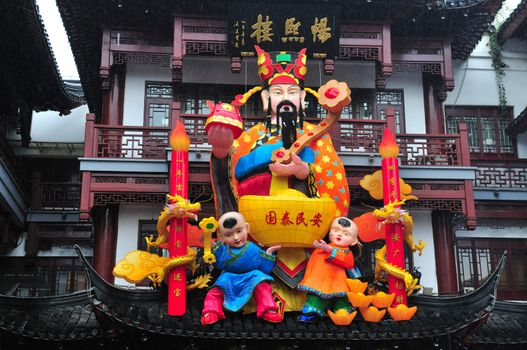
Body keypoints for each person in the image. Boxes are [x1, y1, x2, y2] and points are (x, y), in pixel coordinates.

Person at [206, 46, 350, 289]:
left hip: (304, 238)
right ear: (266, 98)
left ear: (303, 98)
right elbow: (230, 188)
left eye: (293, 91)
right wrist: (221, 156)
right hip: (258, 240)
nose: (285, 97)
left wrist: (304, 173)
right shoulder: (250, 138)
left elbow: (335, 185)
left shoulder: (317, 137)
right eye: (277, 91)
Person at [200, 211, 283, 325]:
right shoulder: (225, 250)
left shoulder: (253, 248)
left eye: (239, 231)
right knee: (215, 291)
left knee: (262, 285)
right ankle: (211, 311)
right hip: (229, 277)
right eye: (228, 235)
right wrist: (208, 241)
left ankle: (268, 309)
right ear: (221, 236)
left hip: (252, 276)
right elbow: (219, 264)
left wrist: (269, 252)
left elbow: (265, 269)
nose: (236, 237)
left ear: (247, 228)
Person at [296, 217, 360, 322]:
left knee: (341, 302)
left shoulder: (346, 252)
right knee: (316, 299)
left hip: (338, 283)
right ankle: (313, 311)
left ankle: (341, 312)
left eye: (346, 233)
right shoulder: (322, 247)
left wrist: (330, 250)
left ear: (354, 241)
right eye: (335, 230)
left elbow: (349, 263)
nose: (339, 234)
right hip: (319, 282)